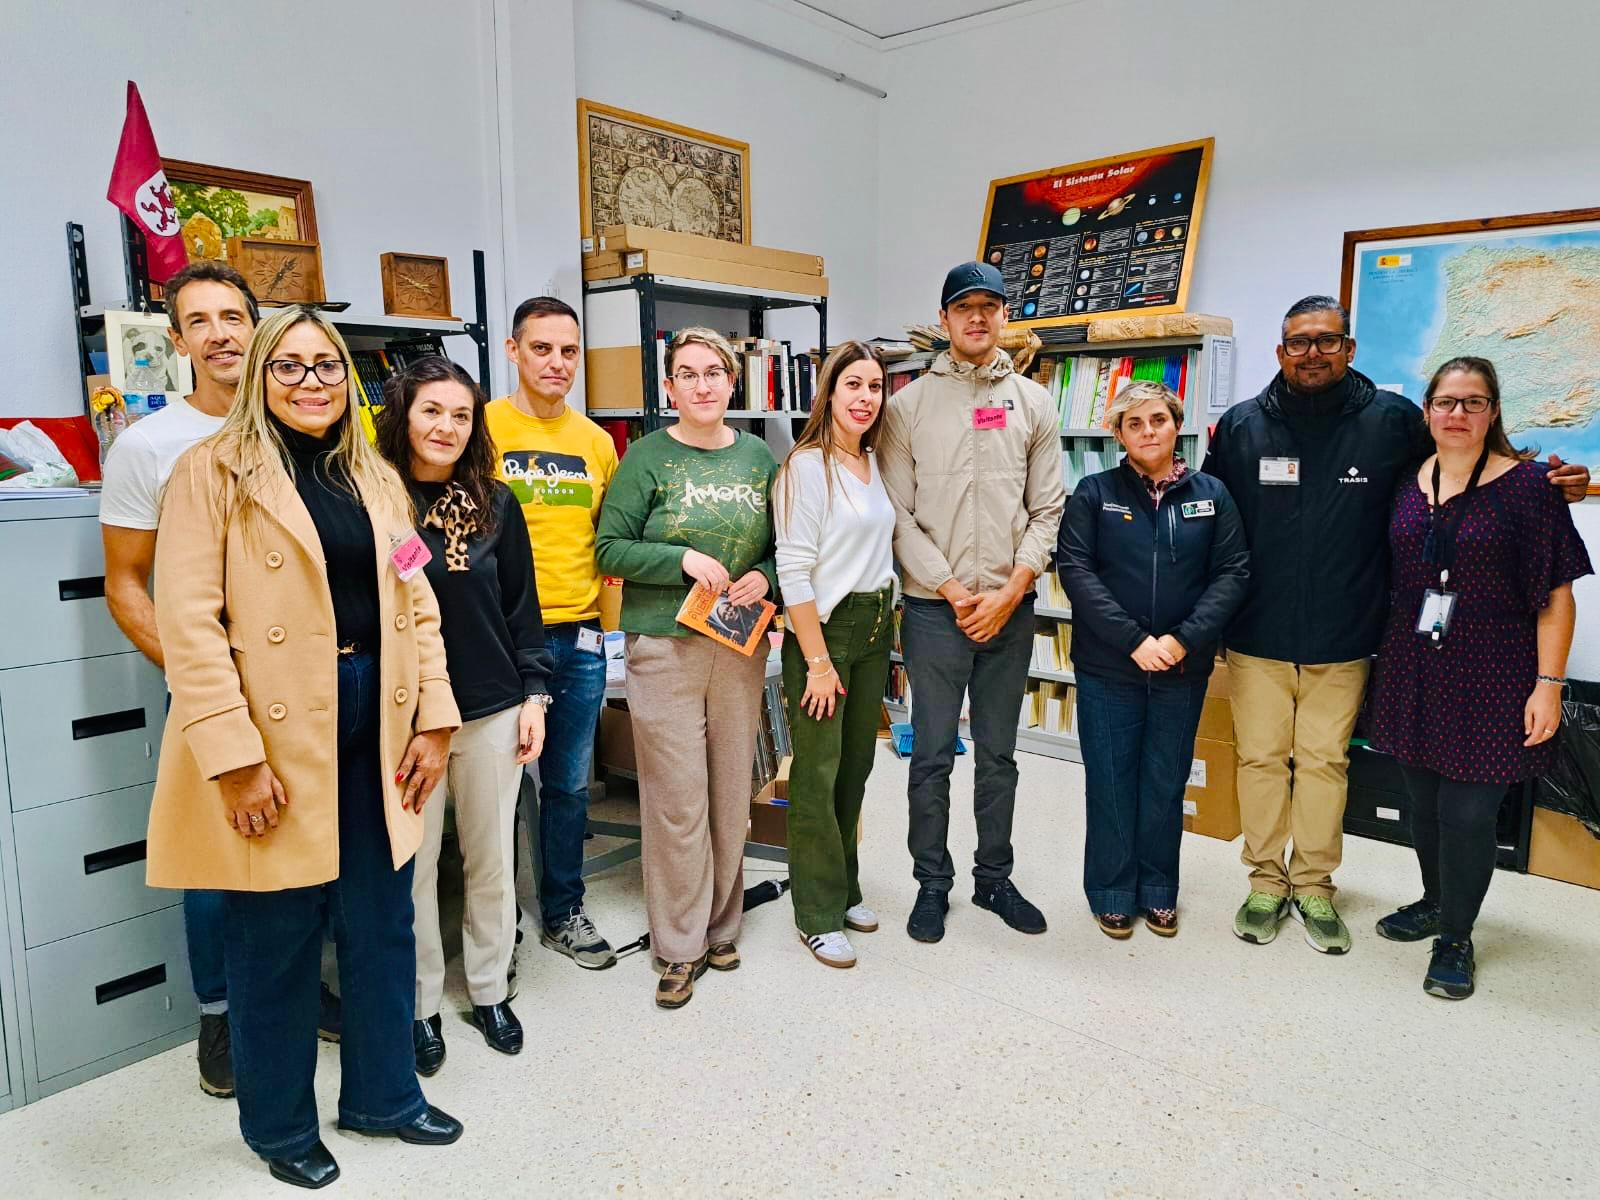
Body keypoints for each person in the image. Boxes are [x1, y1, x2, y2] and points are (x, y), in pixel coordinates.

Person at [145, 306, 464, 1189]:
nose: (312, 381)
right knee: (276, 933)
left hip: (379, 714)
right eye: (288, 367)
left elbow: (418, 603)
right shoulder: (208, 473)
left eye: (327, 366)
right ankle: (280, 1125)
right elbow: (189, 626)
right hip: (274, 726)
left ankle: (384, 1097)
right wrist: (233, 757)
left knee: (381, 919)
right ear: (257, 376)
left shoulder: (376, 477)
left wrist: (434, 717)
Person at [1202, 296, 1590, 955]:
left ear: (1350, 349)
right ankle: (1267, 882)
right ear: (1280, 352)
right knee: (1264, 760)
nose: (1313, 353)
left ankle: (1316, 887)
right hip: (1256, 633)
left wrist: (1555, 481)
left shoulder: (1391, 422)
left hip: (1350, 634)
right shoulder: (1242, 427)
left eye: (1327, 340)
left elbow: (1467, 465)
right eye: (1299, 342)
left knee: (1324, 764)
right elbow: (1209, 516)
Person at [1368, 357, 1590, 999]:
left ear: (1493, 411)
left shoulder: (1531, 488)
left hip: (1496, 671)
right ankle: (1437, 901)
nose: (1457, 414)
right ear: (1428, 411)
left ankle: (1456, 939)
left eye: (1473, 402)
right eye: (1444, 402)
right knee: (1424, 804)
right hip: (1414, 667)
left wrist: (1549, 684)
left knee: (1468, 814)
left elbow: (1557, 596)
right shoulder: (1409, 482)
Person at [100, 261, 269, 1099]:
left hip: (304, 681)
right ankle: (221, 1012)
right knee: (215, 856)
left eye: (233, 316)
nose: (220, 334)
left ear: (256, 324)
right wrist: (202, 679)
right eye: (199, 321)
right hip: (209, 684)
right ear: (177, 341)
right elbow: (125, 584)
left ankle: (294, 988)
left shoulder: (297, 424)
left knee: (304, 843)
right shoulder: (150, 445)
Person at [375, 357, 554, 1073]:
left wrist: (535, 696)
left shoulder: (497, 504)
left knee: (490, 859)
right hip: (404, 717)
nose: (446, 427)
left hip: (490, 707)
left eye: (460, 415)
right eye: (431, 411)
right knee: (414, 869)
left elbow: (522, 609)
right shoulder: (374, 497)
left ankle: (488, 989)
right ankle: (419, 1007)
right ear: (403, 416)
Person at [878, 262, 1066, 944]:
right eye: (966, 308)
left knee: (999, 754)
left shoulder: (1033, 403)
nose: (978, 318)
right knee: (930, 754)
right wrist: (956, 591)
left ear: (1004, 316)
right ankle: (933, 883)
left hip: (1010, 608)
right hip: (936, 610)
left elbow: (1048, 508)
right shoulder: (906, 407)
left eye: (990, 306)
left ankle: (994, 878)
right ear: (945, 319)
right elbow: (897, 513)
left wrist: (1013, 588)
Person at [596, 327, 778, 1009]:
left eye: (714, 372)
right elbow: (609, 549)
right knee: (677, 801)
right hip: (663, 647)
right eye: (687, 373)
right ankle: (678, 945)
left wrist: (763, 578)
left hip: (737, 644)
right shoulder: (645, 458)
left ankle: (723, 925)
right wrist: (678, 560)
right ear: (668, 387)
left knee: (732, 789)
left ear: (733, 383)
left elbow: (784, 548)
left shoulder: (761, 458)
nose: (702, 385)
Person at [1058, 381, 1249, 939]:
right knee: (1113, 780)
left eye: (1158, 421)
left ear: (1176, 425)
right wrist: (1134, 641)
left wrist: (1183, 640)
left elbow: (1233, 572)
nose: (1148, 432)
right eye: (1134, 423)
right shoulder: (1094, 493)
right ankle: (1113, 891)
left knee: (1166, 780)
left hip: (1182, 668)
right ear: (1117, 433)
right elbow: (1076, 572)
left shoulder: (1212, 493)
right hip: (1109, 667)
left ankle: (1160, 888)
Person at [484, 296, 620, 970]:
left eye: (568, 351)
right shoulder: (480, 429)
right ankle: (496, 927)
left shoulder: (596, 442)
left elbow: (611, 543)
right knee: (498, 790)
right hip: (501, 639)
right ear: (513, 351)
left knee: (566, 787)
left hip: (579, 635)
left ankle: (562, 912)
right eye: (542, 348)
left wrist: (610, 628)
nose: (557, 363)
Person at [773, 341, 897, 968]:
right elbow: (793, 571)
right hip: (825, 632)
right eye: (853, 385)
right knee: (816, 776)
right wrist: (817, 661)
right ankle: (815, 913)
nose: (864, 398)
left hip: (876, 626)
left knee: (855, 769)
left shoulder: (874, 462)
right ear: (829, 391)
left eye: (875, 387)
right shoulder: (806, 467)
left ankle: (845, 884)